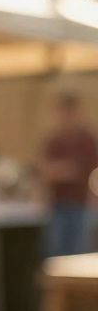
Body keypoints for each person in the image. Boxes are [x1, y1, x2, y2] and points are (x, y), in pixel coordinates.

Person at [40, 93, 98, 257]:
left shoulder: (87, 139)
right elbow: (45, 171)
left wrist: (62, 170)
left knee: (77, 251)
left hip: (80, 204)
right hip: (57, 203)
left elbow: (88, 171)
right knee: (55, 251)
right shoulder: (54, 140)